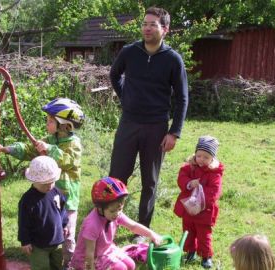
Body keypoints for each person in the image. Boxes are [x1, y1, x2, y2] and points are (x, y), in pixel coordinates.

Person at [109, 6, 189, 242]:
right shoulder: (129, 52)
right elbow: (115, 75)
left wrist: (174, 132)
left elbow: (182, 97)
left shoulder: (173, 59)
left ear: (165, 29)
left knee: (149, 181)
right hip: (129, 123)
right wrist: (126, 98)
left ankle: (141, 231)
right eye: (144, 23)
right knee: (117, 176)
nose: (146, 28)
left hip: (156, 126)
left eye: (152, 24)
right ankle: (109, 221)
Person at [0, 97, 85, 267]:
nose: (47, 124)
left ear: (64, 125)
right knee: (47, 226)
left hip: (67, 198)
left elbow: (69, 161)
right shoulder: (49, 140)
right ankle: (44, 252)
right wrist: (9, 149)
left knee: (68, 235)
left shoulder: (74, 144)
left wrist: (50, 150)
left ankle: (68, 263)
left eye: (50, 121)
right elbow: (30, 149)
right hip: (46, 195)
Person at [69, 177, 163, 270]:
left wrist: (152, 234)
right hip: (88, 260)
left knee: (131, 265)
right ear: (100, 208)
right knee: (120, 268)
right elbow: (89, 255)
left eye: (120, 209)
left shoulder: (115, 214)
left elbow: (133, 226)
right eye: (112, 211)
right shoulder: (92, 224)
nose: (117, 214)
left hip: (106, 250)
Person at [173, 135, 224, 268]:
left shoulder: (214, 173)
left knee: (204, 235)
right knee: (188, 231)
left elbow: (214, 191)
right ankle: (190, 251)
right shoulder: (190, 167)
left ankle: (206, 256)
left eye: (206, 157)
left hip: (204, 210)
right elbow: (181, 178)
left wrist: (201, 203)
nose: (201, 159)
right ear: (195, 154)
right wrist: (189, 183)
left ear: (212, 158)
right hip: (188, 208)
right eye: (199, 155)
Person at [18, 156, 68, 270]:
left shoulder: (55, 192)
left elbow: (62, 209)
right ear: (34, 180)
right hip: (38, 245)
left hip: (57, 241)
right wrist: (25, 241)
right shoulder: (28, 200)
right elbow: (23, 222)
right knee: (41, 267)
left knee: (57, 265)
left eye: (52, 182)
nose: (49, 186)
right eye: (45, 183)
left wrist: (64, 224)